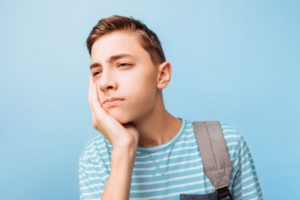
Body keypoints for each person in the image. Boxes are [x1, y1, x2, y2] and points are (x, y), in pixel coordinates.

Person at [79, 15, 263, 200]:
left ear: (162, 75)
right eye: (97, 72)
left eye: (123, 65)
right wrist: (123, 148)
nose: (104, 83)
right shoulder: (97, 157)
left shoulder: (225, 144)